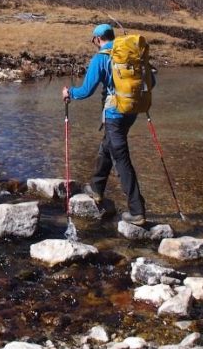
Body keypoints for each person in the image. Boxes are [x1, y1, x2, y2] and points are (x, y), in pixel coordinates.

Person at [61, 24, 148, 226]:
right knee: (108, 146)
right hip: (131, 110)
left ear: (97, 39)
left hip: (114, 113)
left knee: (122, 159)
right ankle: (97, 189)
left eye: (94, 40)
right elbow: (151, 81)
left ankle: (137, 211)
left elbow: (86, 90)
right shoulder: (128, 53)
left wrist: (69, 93)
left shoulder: (101, 58)